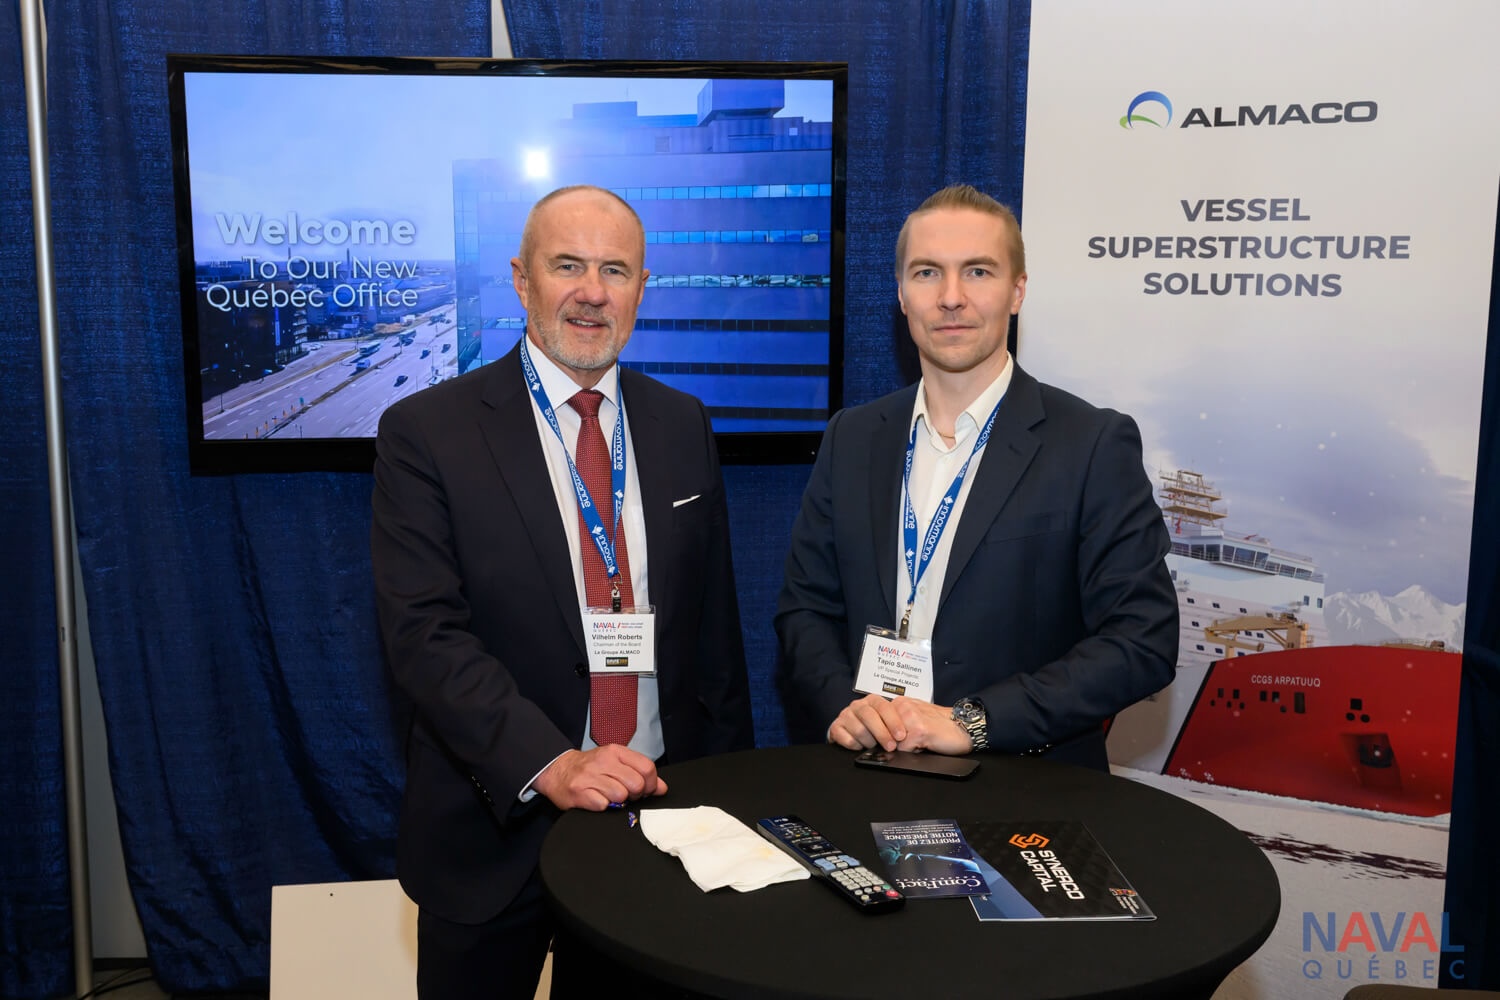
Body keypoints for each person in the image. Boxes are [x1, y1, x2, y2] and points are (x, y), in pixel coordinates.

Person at [372, 185, 753, 998]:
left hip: (656, 825)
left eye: (615, 270)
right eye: (567, 266)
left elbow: (713, 639)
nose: (591, 292)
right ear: (522, 280)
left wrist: (726, 804)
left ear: (642, 288)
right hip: (492, 828)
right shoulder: (427, 432)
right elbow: (424, 636)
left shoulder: (683, 424)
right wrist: (552, 763)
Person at [775, 184, 1177, 771]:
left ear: (1017, 292)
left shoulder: (1092, 443)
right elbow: (805, 610)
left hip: (1025, 789)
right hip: (867, 773)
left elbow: (1143, 639)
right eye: (927, 273)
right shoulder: (851, 437)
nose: (951, 298)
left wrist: (974, 721)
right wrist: (847, 708)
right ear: (901, 294)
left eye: (978, 272)